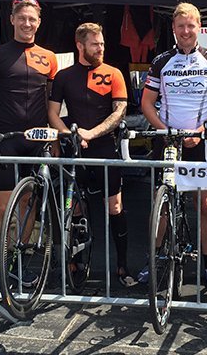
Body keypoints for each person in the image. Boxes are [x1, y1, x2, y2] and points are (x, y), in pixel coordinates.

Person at [139, 2, 207, 291]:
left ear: (199, 27)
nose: (186, 31)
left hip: (200, 141)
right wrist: (164, 131)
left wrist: (203, 129)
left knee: (204, 206)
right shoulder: (161, 60)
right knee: (162, 203)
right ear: (174, 29)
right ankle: (153, 260)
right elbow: (146, 103)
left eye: (191, 25)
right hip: (168, 142)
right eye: (181, 26)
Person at [0, 0, 59, 291]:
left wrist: (56, 134)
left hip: (36, 140)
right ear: (11, 20)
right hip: (7, 139)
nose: (27, 23)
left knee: (29, 201)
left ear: (39, 22)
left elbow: (53, 103)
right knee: (1, 208)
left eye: (32, 19)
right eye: (21, 18)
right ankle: (1, 271)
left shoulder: (49, 57)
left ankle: (20, 263)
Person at [47, 22, 137, 287]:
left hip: (104, 147)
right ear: (80, 45)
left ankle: (122, 267)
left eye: (102, 44)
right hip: (75, 147)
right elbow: (52, 112)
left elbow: (119, 111)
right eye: (95, 44)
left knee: (115, 206)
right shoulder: (64, 76)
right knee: (75, 208)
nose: (100, 48)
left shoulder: (114, 73)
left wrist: (91, 133)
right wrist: (69, 134)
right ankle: (75, 263)